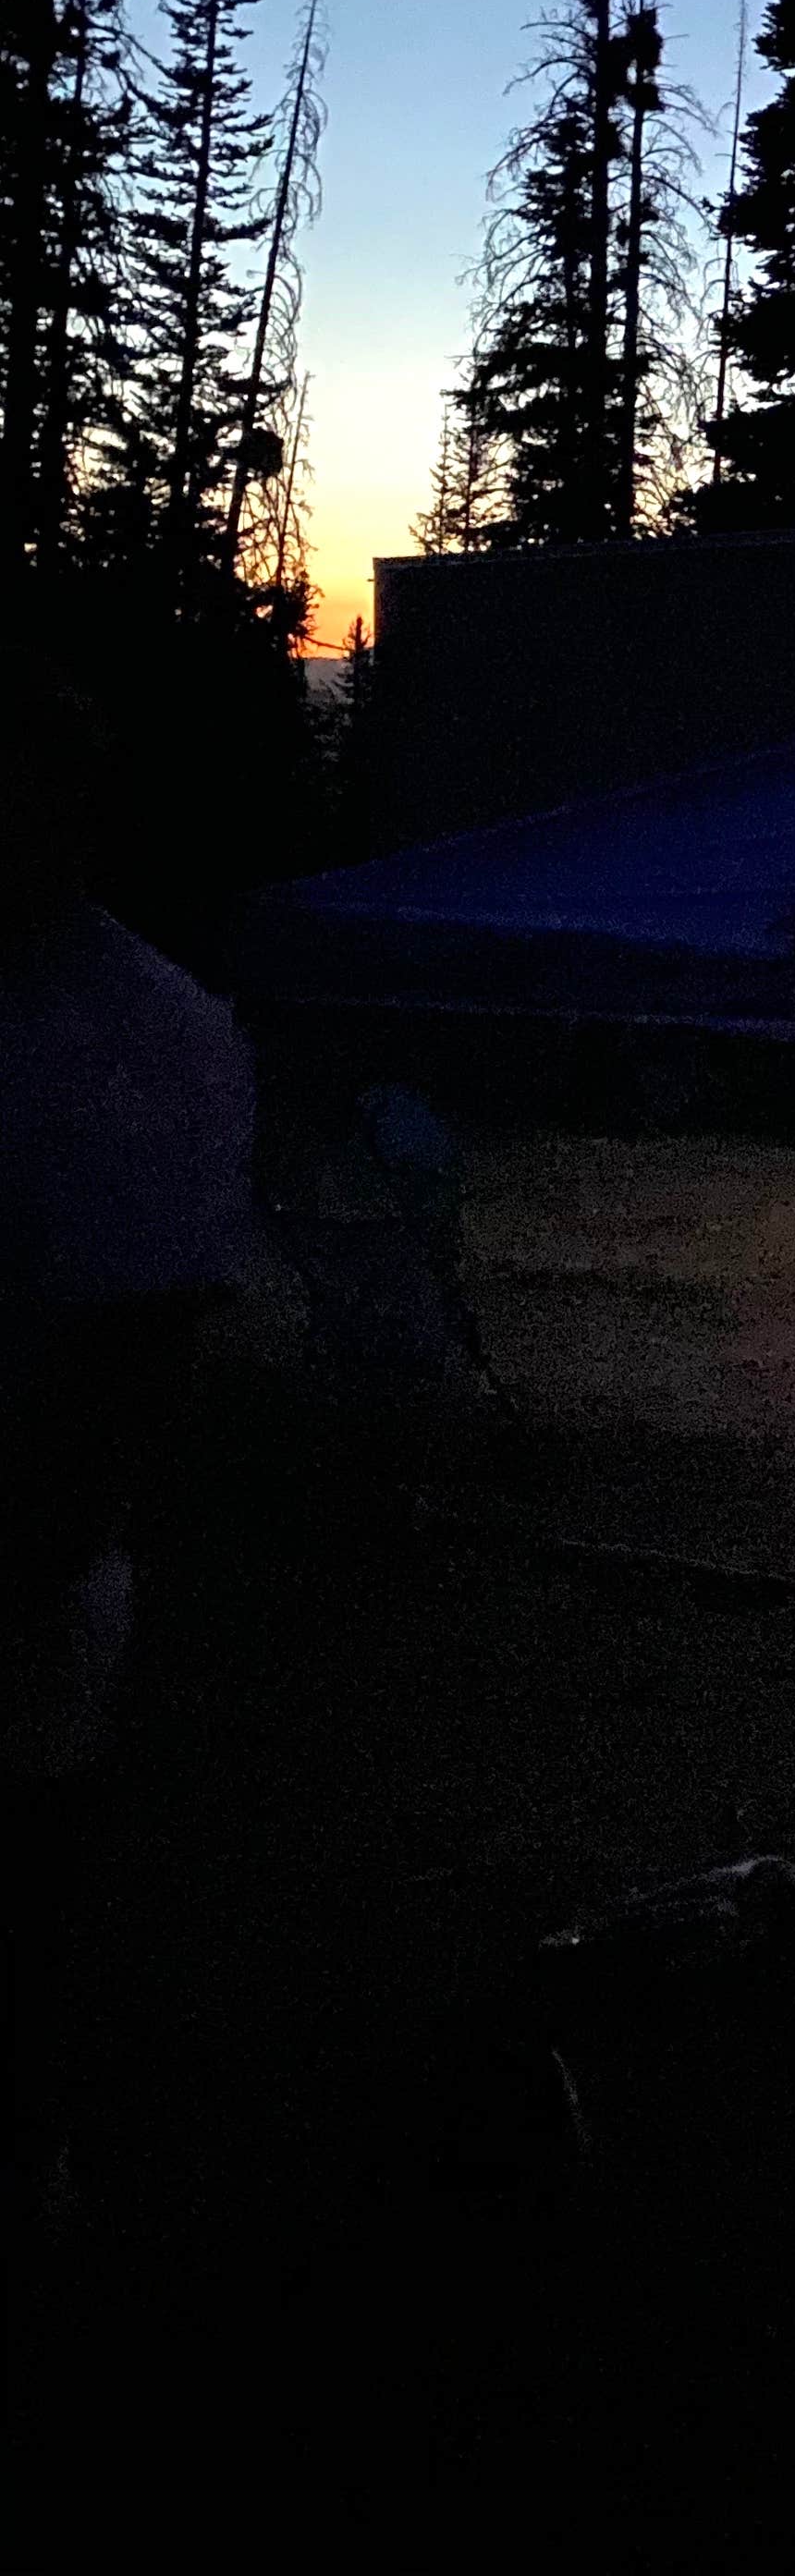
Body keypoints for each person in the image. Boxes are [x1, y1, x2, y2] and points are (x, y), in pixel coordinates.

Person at [1, 674, 255, 2228]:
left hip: (31, 1555)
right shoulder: (144, 1024)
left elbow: (137, 1346)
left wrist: (53, 1530)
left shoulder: (142, 1035)